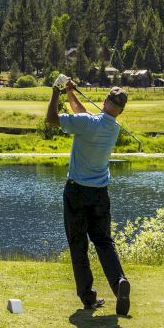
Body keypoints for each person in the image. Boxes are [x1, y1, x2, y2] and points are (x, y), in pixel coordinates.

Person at [46, 78, 132, 315]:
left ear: (104, 101)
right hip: (100, 195)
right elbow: (83, 116)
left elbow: (52, 120)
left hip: (76, 192)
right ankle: (119, 283)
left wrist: (56, 91)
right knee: (104, 242)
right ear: (120, 110)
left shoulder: (87, 123)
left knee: (78, 245)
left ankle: (88, 298)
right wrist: (72, 94)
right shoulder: (112, 128)